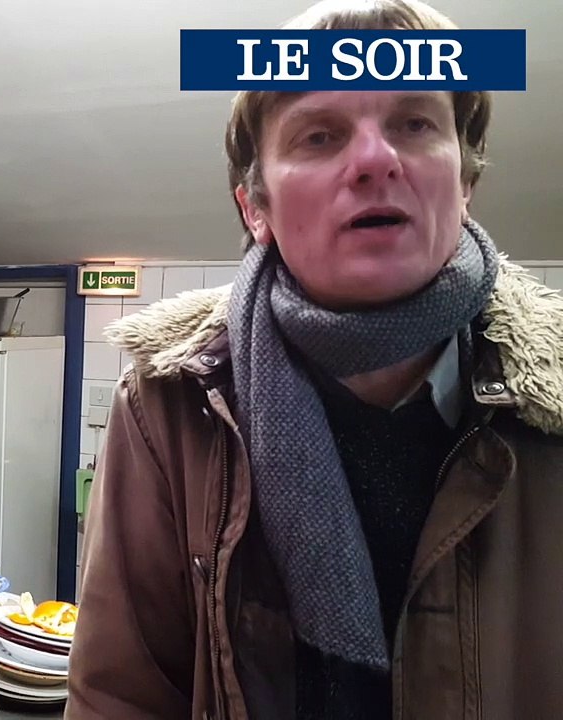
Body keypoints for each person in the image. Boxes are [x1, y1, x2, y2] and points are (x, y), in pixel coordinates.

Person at [67, 1, 563, 719]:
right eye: (320, 135)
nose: (373, 159)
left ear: (465, 181)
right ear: (255, 210)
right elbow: (120, 697)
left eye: (414, 123)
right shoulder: (164, 404)